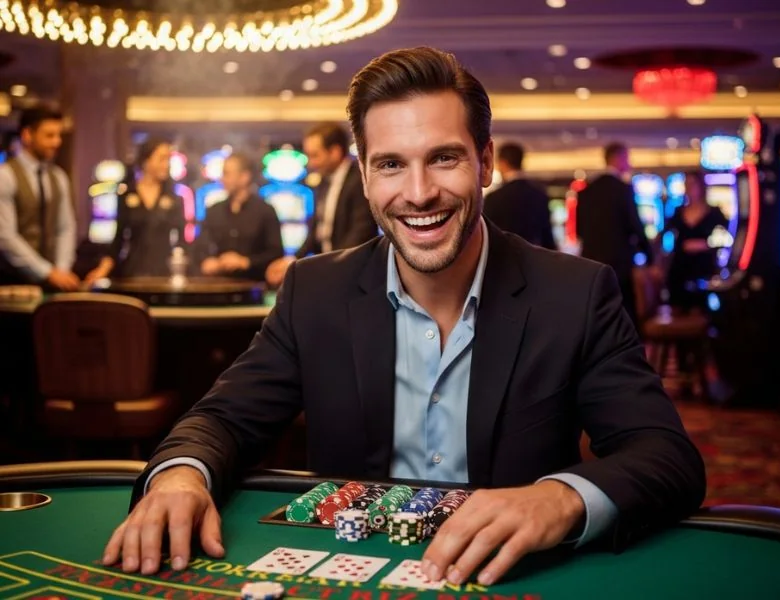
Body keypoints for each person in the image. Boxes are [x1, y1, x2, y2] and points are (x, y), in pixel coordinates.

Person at [102, 47, 705, 586]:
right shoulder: (316, 290)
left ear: (486, 162)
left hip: (509, 580)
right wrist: (181, 477)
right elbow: (223, 419)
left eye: (444, 158)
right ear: (364, 175)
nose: (418, 193)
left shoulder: (574, 293)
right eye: (391, 164)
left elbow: (665, 456)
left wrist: (558, 498)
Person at [265, 122, 377, 286]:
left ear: (335, 152)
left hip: (356, 274)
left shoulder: (361, 180)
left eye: (315, 155)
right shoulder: (322, 183)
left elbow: (361, 233)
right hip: (332, 271)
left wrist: (330, 266)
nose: (310, 163)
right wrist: (292, 260)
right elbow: (317, 232)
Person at [0, 106, 78, 290]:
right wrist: (47, 272)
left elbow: (65, 227)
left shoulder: (58, 177)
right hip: (11, 284)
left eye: (59, 135)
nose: (57, 142)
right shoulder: (5, 176)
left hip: (51, 283)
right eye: (49, 135)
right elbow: (5, 236)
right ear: (27, 135)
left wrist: (61, 269)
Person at [576, 142, 654, 327]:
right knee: (625, 316)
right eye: (627, 158)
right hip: (619, 264)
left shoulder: (586, 191)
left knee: (597, 316)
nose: (629, 163)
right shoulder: (623, 189)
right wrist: (650, 257)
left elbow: (579, 230)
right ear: (617, 158)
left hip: (590, 262)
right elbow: (635, 227)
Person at [85, 139, 185, 282]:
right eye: (162, 159)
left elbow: (182, 242)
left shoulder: (174, 198)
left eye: (168, 159)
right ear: (146, 161)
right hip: (132, 271)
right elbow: (118, 239)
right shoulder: (126, 195)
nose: (166, 165)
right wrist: (102, 270)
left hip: (164, 274)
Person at [193, 153, 284, 280]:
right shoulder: (213, 210)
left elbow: (276, 253)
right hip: (218, 285)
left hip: (254, 287)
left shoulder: (265, 211)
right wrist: (208, 261)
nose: (222, 179)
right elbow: (199, 248)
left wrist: (246, 262)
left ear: (244, 177)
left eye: (226, 174)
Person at [664, 170, 728, 312]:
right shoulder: (677, 211)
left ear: (701, 186)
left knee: (706, 310)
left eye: (693, 184)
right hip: (680, 269)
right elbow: (663, 235)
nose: (689, 187)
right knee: (679, 308)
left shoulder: (714, 212)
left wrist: (707, 245)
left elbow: (731, 235)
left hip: (704, 269)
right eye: (686, 184)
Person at [483, 142, 556, 249]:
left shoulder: (494, 198)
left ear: (503, 163)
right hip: (533, 256)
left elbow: (488, 234)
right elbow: (547, 235)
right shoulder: (538, 194)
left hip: (504, 257)